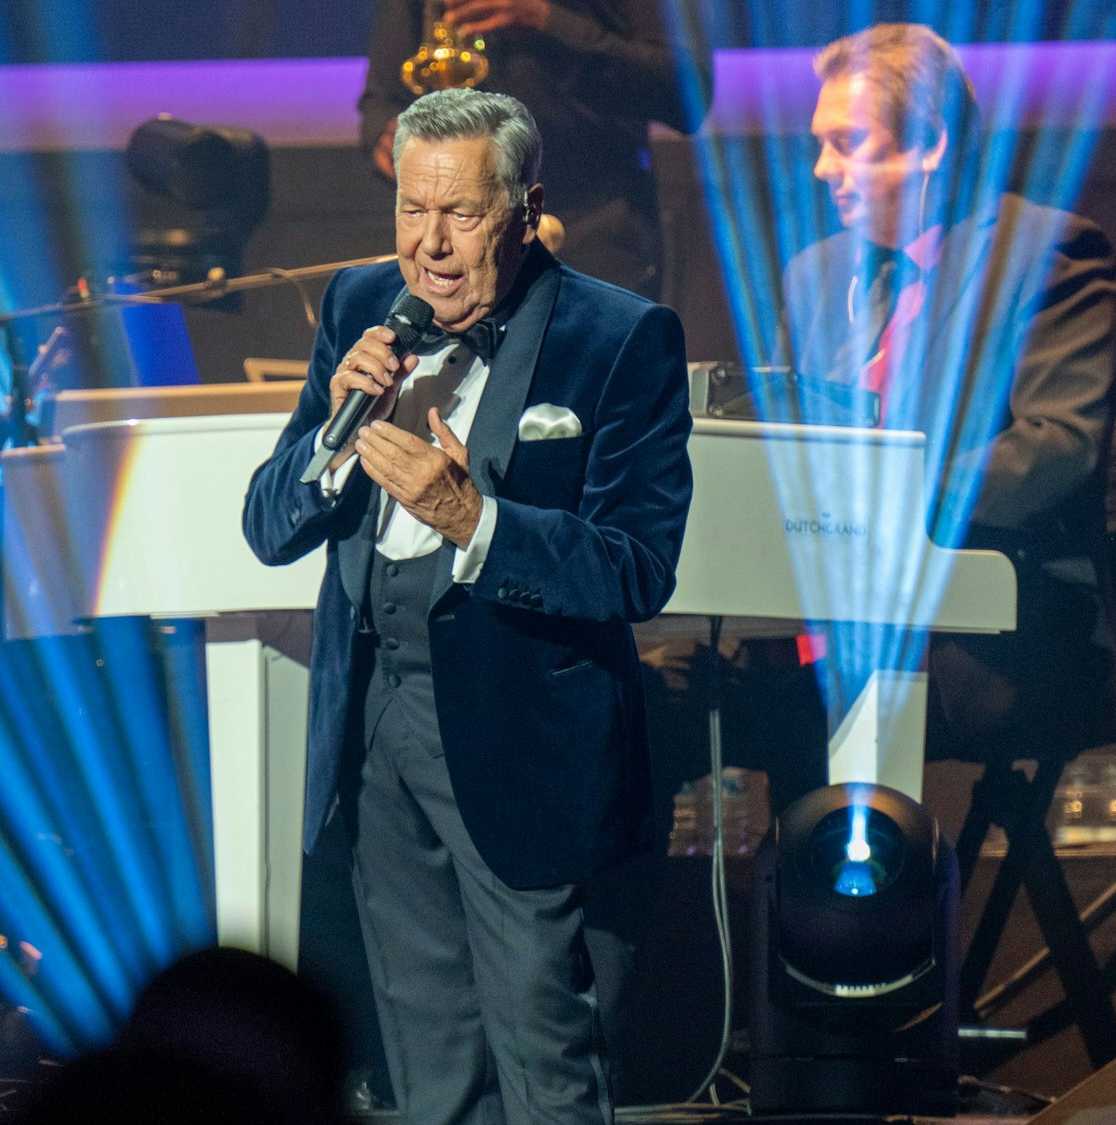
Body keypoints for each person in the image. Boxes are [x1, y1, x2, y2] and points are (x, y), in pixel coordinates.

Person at [242, 88, 693, 1124]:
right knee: (427, 1061)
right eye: (412, 210)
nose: (430, 246)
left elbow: (636, 568)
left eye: (461, 214)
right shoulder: (359, 305)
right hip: (374, 725)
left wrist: (471, 518)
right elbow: (268, 527)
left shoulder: (618, 337)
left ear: (525, 209)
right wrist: (332, 435)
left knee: (544, 1054)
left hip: (519, 740)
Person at [656, 23, 1116, 811]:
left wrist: (883, 500)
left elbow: (1058, 446)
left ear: (930, 144)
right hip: (805, 626)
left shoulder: (1047, 254)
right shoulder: (817, 277)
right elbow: (779, 450)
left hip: (983, 637)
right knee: (629, 701)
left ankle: (846, 886)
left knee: (837, 713)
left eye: (846, 143)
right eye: (819, 145)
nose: (822, 169)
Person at [360, 0, 712, 300]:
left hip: (594, 233)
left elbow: (688, 93)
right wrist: (386, 136)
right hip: (462, 240)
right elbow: (382, 99)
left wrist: (545, 22)